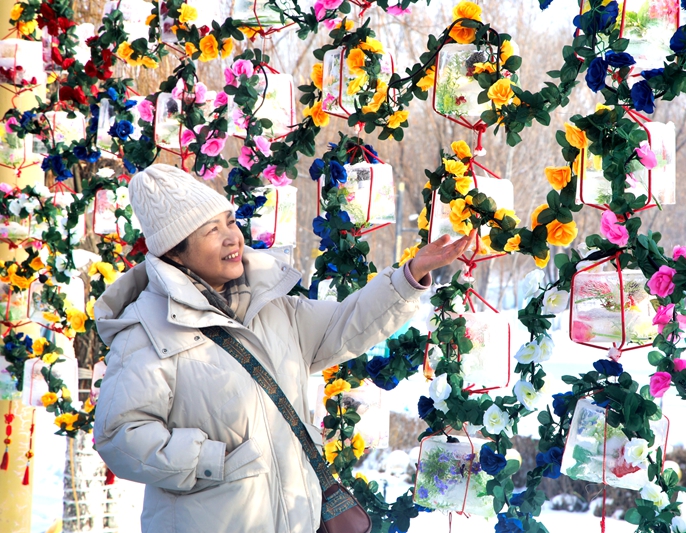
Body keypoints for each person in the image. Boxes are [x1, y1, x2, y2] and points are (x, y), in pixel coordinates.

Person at [93, 164, 472, 533]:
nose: (232, 237)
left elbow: (343, 324)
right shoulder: (146, 333)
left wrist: (408, 277)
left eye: (229, 221)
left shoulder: (271, 306)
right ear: (175, 254)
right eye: (212, 230)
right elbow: (118, 435)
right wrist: (213, 460)